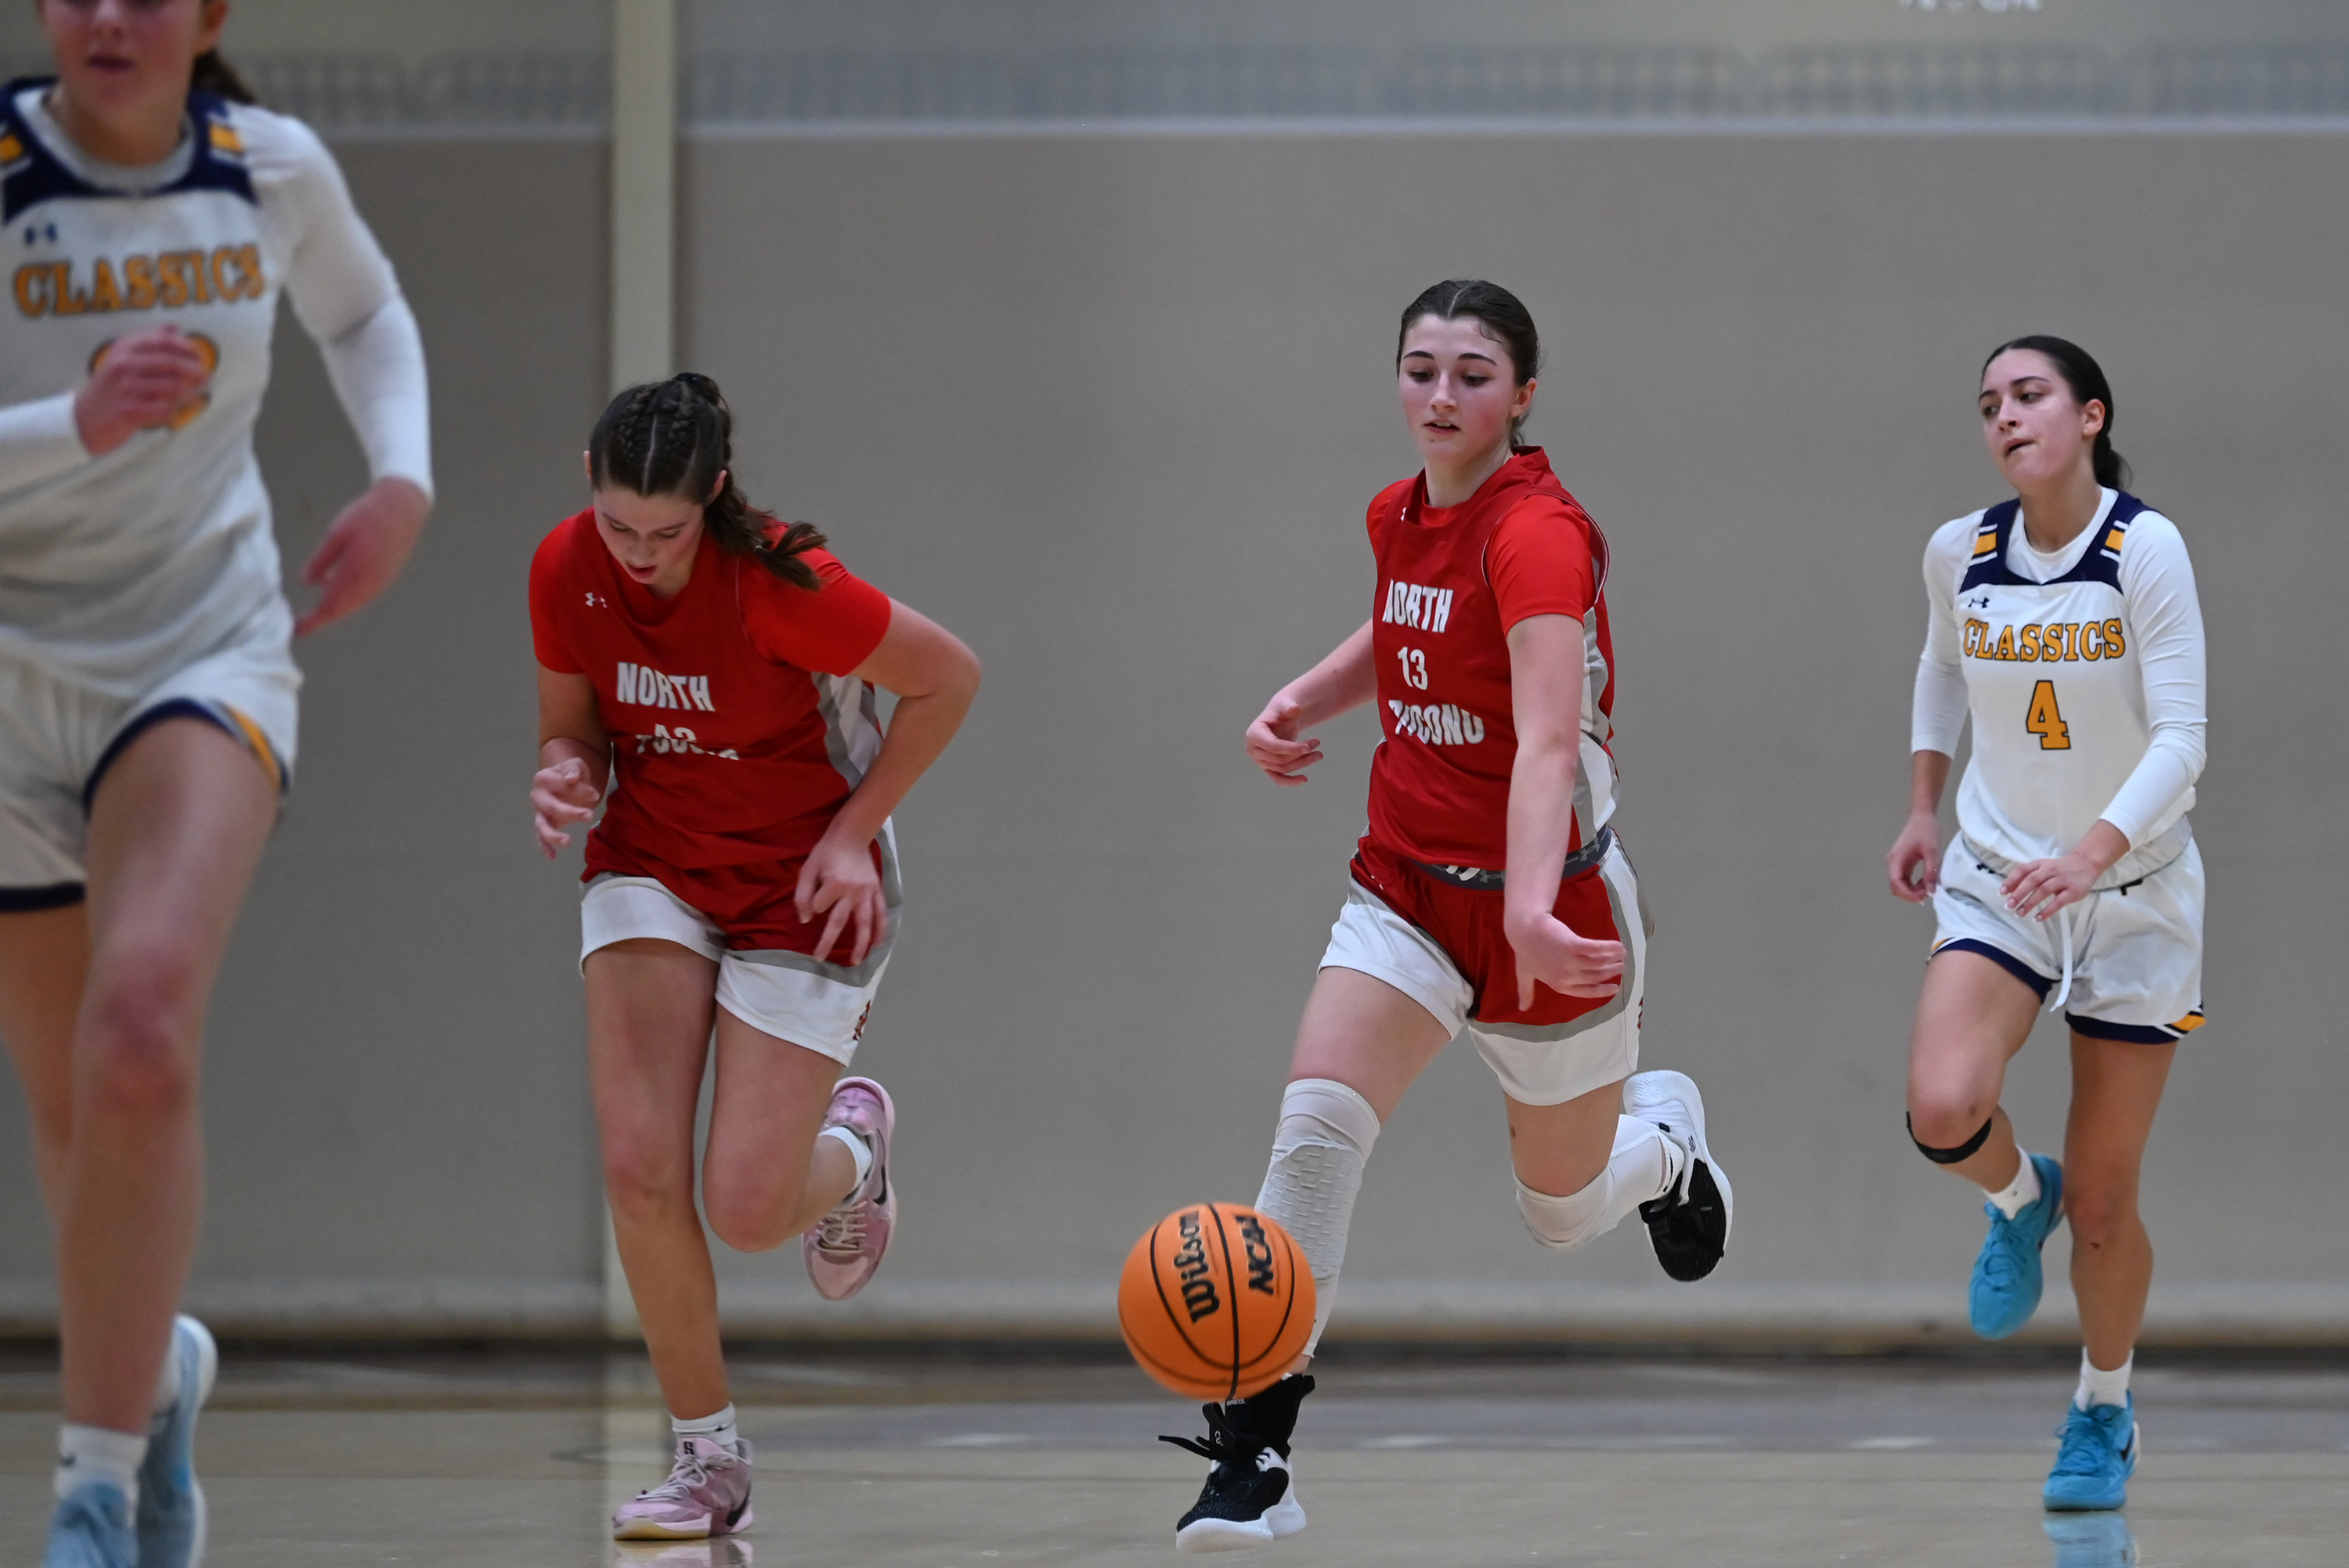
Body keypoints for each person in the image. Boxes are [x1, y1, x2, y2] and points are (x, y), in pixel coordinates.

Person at [1160, 280, 1733, 1553]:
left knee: (1563, 1212)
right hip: (1406, 890)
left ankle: (1670, 1152)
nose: (1440, 396)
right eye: (1420, 369)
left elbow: (1543, 740)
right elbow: (1403, 633)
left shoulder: (1538, 536)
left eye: (1473, 374)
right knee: (1314, 1132)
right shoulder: (1400, 514)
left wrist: (1531, 905)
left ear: (1522, 397)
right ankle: (1255, 1455)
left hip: (1553, 908)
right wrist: (1302, 699)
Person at [0, 3, 433, 1563]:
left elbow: (365, 315)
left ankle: (95, 1495)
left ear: (208, 17)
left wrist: (401, 478)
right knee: (75, 1125)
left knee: (140, 1030)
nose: (111, 15)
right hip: (6, 669)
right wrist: (79, 422)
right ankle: (161, 1369)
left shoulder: (269, 170)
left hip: (200, 650)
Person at [529, 373, 980, 1542]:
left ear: (713, 497)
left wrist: (849, 835)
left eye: (666, 532)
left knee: (742, 1207)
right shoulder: (564, 569)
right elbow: (573, 726)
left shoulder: (786, 587)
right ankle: (705, 1458)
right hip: (654, 864)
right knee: (637, 1168)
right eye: (620, 525)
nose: (638, 552)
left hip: (803, 883)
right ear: (592, 485)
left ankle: (855, 1150)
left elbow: (949, 679)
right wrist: (566, 777)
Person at [1887, 336, 2206, 1512]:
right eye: (1988, 405)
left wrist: (2093, 854)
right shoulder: (1959, 552)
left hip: (2136, 892)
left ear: (2089, 415)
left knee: (2113, 1210)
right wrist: (1925, 804)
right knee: (1942, 1104)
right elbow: (1937, 669)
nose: (2006, 419)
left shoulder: (2144, 549)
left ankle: (2102, 1407)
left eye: (2028, 397)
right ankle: (2020, 1195)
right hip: (2003, 877)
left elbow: (2184, 739)